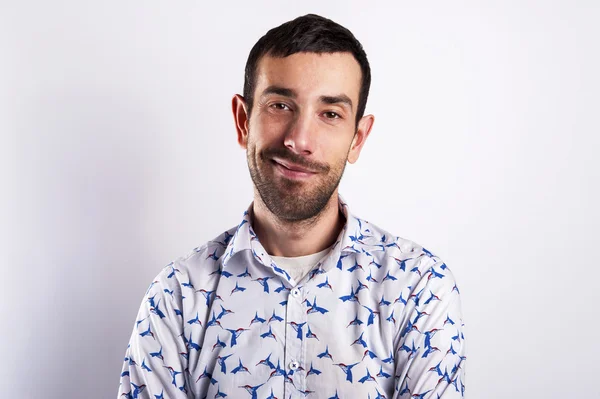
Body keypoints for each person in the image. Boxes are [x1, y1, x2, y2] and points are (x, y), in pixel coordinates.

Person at [117, 13, 466, 399]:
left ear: (357, 139)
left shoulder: (418, 289)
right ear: (242, 120)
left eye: (330, 114)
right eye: (281, 105)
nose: (300, 140)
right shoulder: (177, 297)